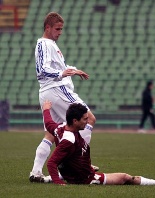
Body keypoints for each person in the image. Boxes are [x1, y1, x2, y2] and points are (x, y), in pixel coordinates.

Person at [29, 12, 98, 183]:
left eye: (61, 29)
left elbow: (58, 67)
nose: (60, 32)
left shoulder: (49, 44)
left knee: (51, 134)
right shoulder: (45, 44)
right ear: (48, 28)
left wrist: (73, 70)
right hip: (57, 89)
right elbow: (42, 70)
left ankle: (36, 172)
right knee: (89, 119)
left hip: (48, 92)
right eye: (57, 29)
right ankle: (81, 163)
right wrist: (62, 73)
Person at [42, 100, 155, 186]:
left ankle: (50, 178)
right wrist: (59, 183)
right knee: (125, 178)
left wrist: (46, 108)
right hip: (86, 178)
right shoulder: (69, 139)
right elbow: (51, 162)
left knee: (82, 166)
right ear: (75, 121)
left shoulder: (60, 128)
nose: (87, 121)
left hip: (78, 170)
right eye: (84, 119)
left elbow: (49, 123)